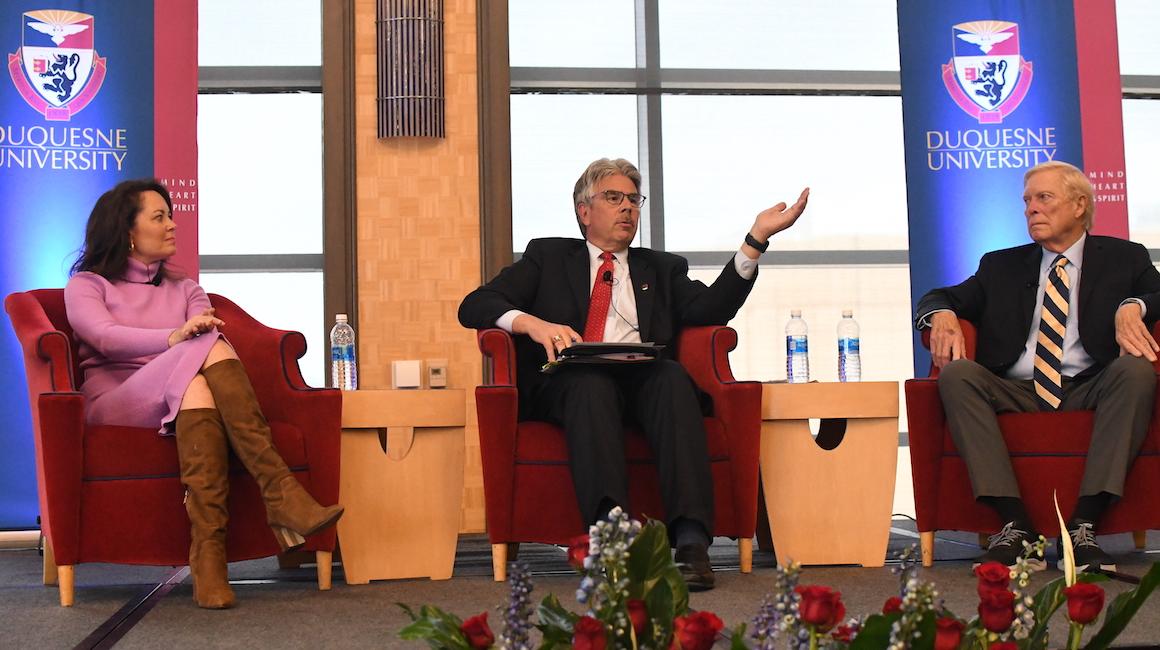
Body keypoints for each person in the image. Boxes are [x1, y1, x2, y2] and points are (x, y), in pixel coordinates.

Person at [458, 158, 808, 590]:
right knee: (588, 384)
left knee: (672, 378)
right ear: (584, 211)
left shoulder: (660, 268)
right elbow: (473, 305)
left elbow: (711, 309)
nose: (627, 208)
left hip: (642, 377)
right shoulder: (547, 256)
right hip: (568, 381)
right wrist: (532, 324)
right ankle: (611, 539)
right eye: (613, 198)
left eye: (633, 199)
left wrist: (755, 240)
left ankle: (692, 542)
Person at [63, 179, 344, 609]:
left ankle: (209, 556)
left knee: (199, 372)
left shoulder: (187, 288)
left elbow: (204, 334)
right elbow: (104, 338)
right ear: (127, 232)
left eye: (171, 215)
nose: (173, 225)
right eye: (159, 217)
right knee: (204, 346)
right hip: (118, 397)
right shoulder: (88, 285)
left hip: (184, 389)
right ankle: (280, 491)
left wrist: (187, 337)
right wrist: (173, 337)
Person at [915, 160, 1160, 572]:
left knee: (1135, 370)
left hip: (1089, 384)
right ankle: (1014, 523)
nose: (1031, 208)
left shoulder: (1124, 258)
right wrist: (939, 313)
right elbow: (940, 295)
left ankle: (1084, 524)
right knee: (957, 375)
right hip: (1016, 387)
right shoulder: (1000, 265)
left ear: (1080, 205)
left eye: (1043, 198)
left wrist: (1134, 304)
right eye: (1027, 201)